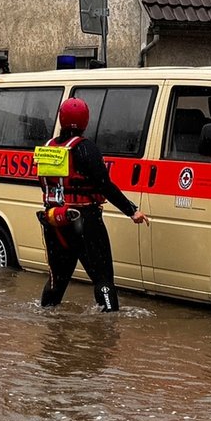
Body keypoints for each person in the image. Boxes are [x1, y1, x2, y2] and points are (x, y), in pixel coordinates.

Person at [37, 96, 146, 311]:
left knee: (57, 279)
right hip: (85, 221)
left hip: (55, 221)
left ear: (61, 119)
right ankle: (108, 328)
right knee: (103, 278)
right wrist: (131, 211)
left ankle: (49, 328)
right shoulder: (86, 148)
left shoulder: (47, 149)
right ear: (86, 121)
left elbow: (44, 186)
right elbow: (104, 185)